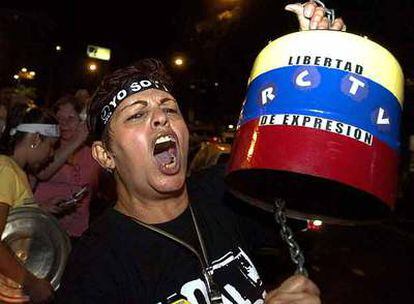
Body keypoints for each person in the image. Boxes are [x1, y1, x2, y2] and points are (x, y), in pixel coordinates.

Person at [56, 2, 345, 303]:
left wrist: (317, 70)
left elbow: (309, 176)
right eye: (136, 115)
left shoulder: (223, 193)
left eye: (169, 108)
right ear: (104, 155)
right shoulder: (96, 265)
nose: (160, 117)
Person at [0, 103, 59, 303]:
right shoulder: (5, 169)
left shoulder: (16, 172)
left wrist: (42, 211)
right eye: (51, 146)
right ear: (35, 139)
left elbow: (11, 221)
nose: (52, 154)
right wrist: (31, 282)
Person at [33, 94, 103, 241]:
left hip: (76, 233)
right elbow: (42, 172)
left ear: (82, 121)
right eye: (59, 119)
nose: (64, 124)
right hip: (41, 228)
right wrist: (78, 139)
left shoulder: (93, 154)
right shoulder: (46, 148)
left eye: (70, 119)